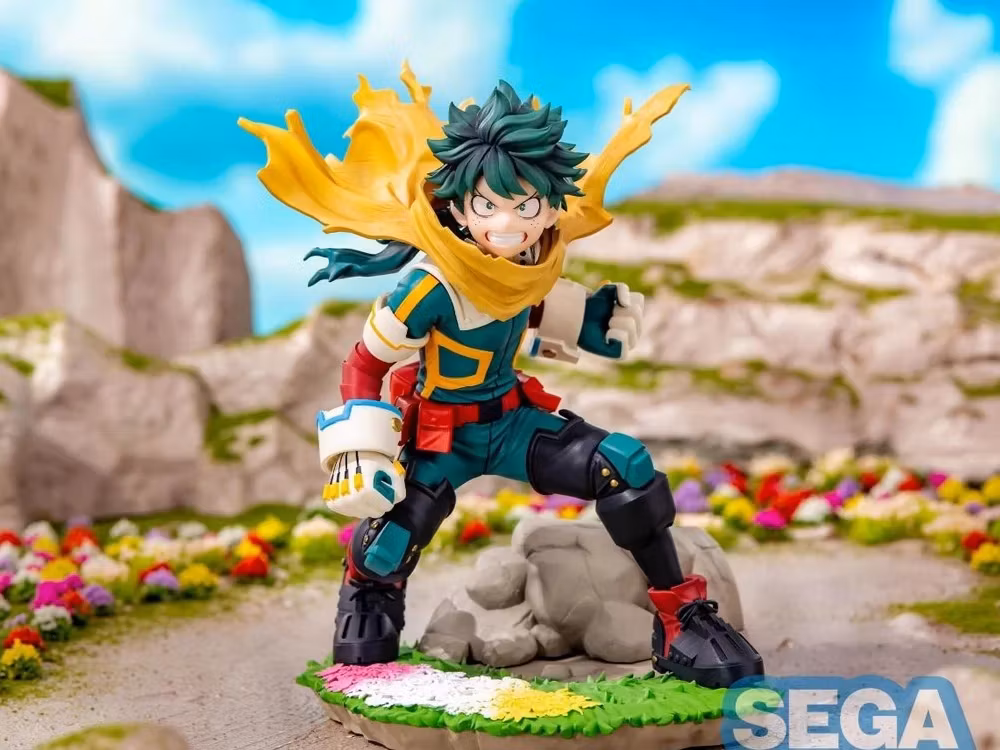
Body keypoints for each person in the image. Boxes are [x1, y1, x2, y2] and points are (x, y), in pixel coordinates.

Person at [238, 65, 764, 689]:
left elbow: (532, 309)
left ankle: (680, 619)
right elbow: (364, 362)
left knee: (625, 467)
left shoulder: (533, 267)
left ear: (549, 207)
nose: (507, 223)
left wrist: (591, 321)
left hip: (514, 423)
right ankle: (368, 595)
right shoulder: (427, 289)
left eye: (525, 205)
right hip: (442, 436)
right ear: (460, 208)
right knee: (387, 543)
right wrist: (362, 448)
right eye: (487, 205)